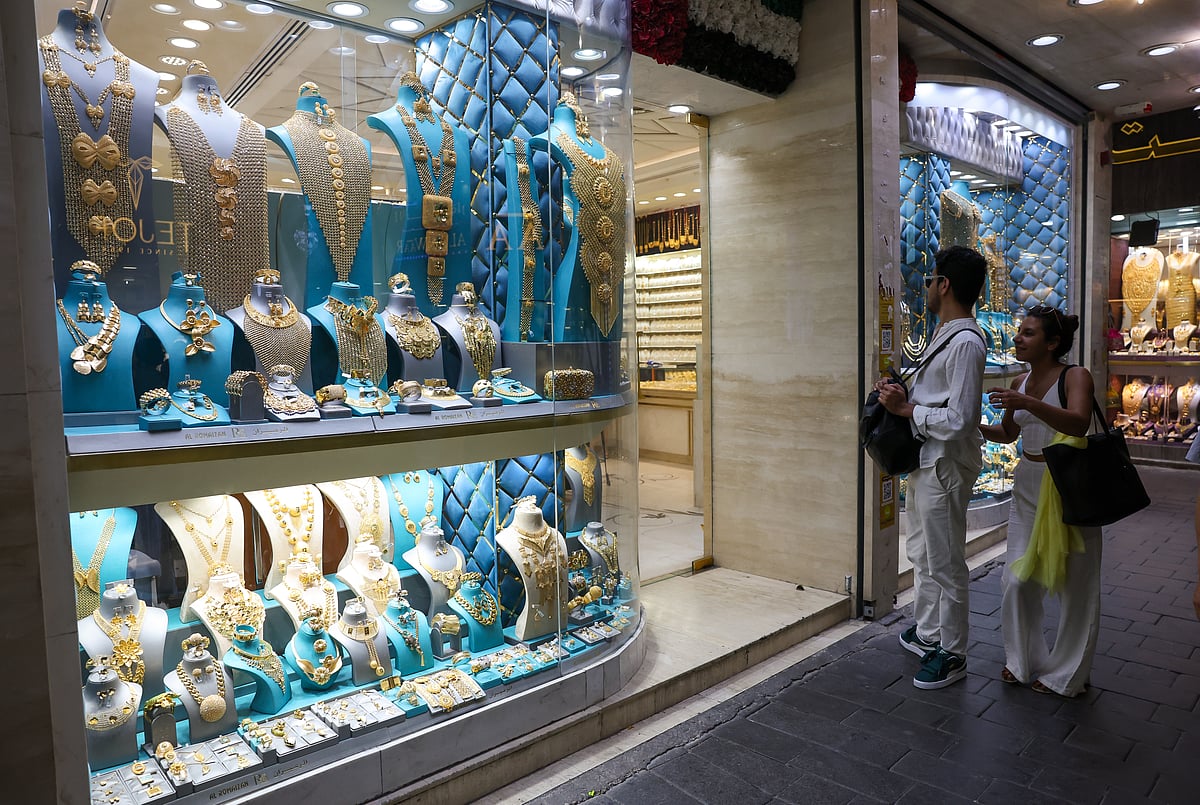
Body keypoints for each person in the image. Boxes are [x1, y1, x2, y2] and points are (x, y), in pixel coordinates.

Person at [875, 245, 986, 689]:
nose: (926, 288)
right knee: (921, 553)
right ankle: (927, 633)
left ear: (945, 284)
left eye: (930, 280)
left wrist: (906, 412)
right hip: (925, 461)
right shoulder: (945, 334)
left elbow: (960, 419)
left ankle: (953, 652)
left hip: (944, 464)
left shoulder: (965, 342)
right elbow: (935, 397)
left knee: (946, 562)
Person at [980, 306, 1099, 697]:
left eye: (1028, 334)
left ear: (1052, 343)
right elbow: (1008, 434)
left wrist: (1027, 403)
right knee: (1015, 578)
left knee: (1075, 585)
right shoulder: (1020, 379)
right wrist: (972, 426)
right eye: (1019, 332)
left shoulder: (1075, 375)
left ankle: (1067, 674)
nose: (1017, 338)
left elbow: (1078, 421)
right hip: (1028, 483)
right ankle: (1022, 660)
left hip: (1069, 484)